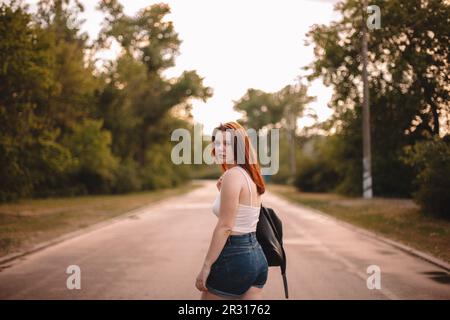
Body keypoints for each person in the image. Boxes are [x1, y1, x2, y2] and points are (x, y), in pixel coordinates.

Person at [195, 121, 268, 300]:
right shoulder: (251, 176)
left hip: (235, 254)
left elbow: (226, 226)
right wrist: (223, 193)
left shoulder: (233, 175)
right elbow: (242, 213)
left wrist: (206, 266)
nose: (220, 148)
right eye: (217, 143)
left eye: (226, 144)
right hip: (256, 257)